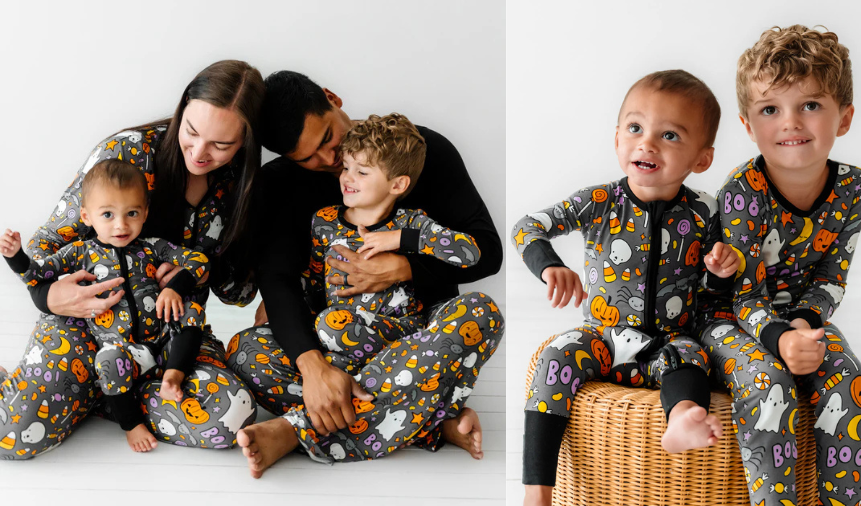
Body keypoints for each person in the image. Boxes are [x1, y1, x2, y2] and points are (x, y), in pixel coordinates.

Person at [226, 71, 504, 477]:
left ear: (332, 98)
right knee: (244, 352)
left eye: (325, 140)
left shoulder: (416, 152)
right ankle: (431, 421)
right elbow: (278, 279)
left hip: (417, 340)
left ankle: (295, 430)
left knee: (480, 313)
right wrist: (315, 369)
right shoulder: (288, 187)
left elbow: (486, 251)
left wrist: (404, 265)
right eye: (306, 158)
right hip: (338, 342)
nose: (330, 163)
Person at [0, 60, 265, 458]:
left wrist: (190, 275)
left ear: (245, 140)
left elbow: (239, 294)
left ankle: (104, 392)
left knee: (231, 417)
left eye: (221, 145)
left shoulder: (240, 188)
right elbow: (45, 244)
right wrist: (49, 298)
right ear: (183, 108)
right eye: (192, 132)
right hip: (87, 326)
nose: (199, 152)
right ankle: (94, 388)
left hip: (169, 341)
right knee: (15, 437)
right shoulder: (129, 151)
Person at [513, 70, 734, 506]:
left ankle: (682, 419)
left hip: (667, 342)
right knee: (555, 358)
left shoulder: (706, 212)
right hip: (602, 338)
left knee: (692, 358)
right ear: (617, 139)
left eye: (669, 135)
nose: (646, 143)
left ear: (702, 158)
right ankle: (536, 492)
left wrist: (722, 267)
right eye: (635, 128)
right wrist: (550, 266)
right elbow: (529, 227)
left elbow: (719, 291)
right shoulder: (599, 202)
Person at [695, 25, 861, 505]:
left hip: (796, 319)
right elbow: (743, 294)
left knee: (847, 375)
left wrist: (803, 326)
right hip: (729, 318)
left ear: (845, 117)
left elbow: (833, 276)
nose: (790, 122)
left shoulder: (854, 187)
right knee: (769, 383)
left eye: (810, 105)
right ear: (749, 127)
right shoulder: (743, 191)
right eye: (770, 109)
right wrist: (780, 340)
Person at [1, 159, 211, 452]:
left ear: (145, 212)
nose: (121, 225)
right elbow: (38, 274)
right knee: (108, 360)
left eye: (132, 213)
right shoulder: (80, 252)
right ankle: (131, 423)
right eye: (108, 214)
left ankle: (173, 376)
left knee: (192, 311)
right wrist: (16, 257)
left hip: (163, 343)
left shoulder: (151, 246)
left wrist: (175, 289)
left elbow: (198, 261)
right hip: (121, 351)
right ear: (87, 216)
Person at [308, 113, 481, 373]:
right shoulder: (323, 221)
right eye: (346, 167)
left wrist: (402, 238)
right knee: (327, 327)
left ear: (398, 184)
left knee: (329, 325)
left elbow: (470, 253)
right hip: (342, 337)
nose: (347, 177)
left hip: (406, 332)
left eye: (362, 171)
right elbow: (314, 279)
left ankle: (396, 371)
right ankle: (383, 382)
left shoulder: (413, 222)